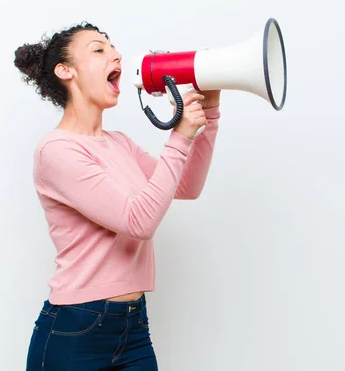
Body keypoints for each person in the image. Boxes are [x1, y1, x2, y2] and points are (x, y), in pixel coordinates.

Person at [14, 22, 221, 370]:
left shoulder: (119, 142)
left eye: (112, 47)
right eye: (98, 49)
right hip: (75, 331)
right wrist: (180, 136)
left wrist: (209, 117)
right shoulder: (56, 150)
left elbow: (186, 186)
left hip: (133, 327)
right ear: (66, 71)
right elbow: (138, 221)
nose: (116, 54)